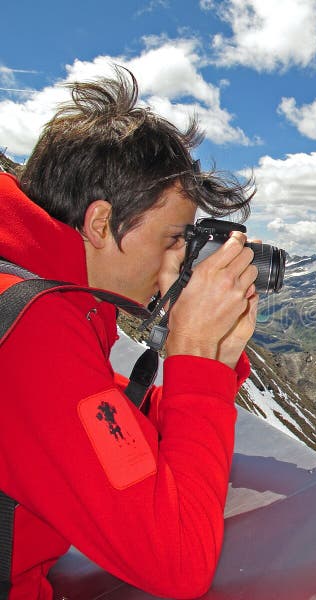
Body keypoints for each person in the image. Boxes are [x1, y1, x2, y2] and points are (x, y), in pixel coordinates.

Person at [0, 67, 259, 599]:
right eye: (171, 240)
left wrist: (217, 359)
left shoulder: (39, 291)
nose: (176, 265)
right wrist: (193, 354)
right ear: (100, 223)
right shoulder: (33, 327)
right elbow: (179, 564)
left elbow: (108, 432)